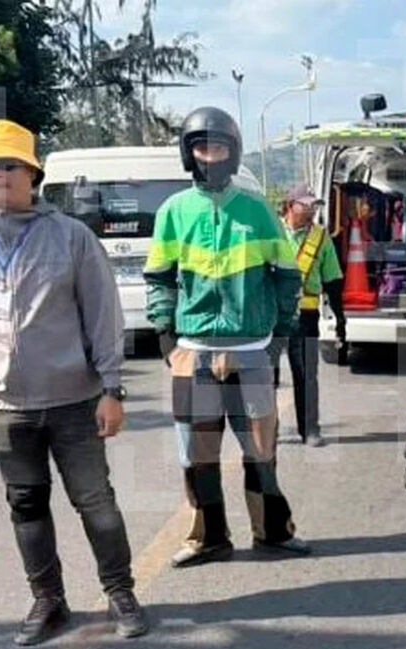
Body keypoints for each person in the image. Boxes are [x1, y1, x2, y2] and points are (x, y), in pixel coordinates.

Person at [0, 119, 147, 645]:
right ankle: (48, 600)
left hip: (74, 401)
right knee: (26, 504)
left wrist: (112, 389)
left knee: (95, 501)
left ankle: (120, 593)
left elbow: (103, 315)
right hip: (4, 406)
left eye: (8, 165)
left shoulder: (71, 237)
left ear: (32, 174)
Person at [145, 107, 309, 568]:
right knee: (196, 455)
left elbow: (287, 276)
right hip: (193, 353)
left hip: (252, 352)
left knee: (261, 451)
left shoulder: (257, 211)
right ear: (188, 153)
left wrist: (279, 335)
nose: (209, 156)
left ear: (233, 153)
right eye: (200, 147)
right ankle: (208, 538)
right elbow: (160, 278)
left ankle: (272, 532)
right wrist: (165, 334)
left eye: (218, 147)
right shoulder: (174, 212)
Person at [280, 184, 344, 448]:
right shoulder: (271, 233)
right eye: (304, 205)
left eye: (313, 206)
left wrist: (340, 319)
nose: (310, 211)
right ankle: (266, 428)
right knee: (266, 376)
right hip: (272, 315)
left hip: (306, 317)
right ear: (289, 205)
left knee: (306, 375)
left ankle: (310, 429)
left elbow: (332, 281)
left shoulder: (321, 237)